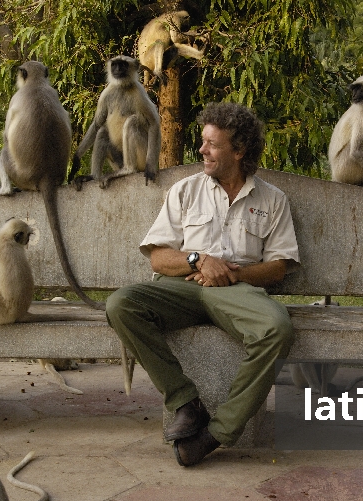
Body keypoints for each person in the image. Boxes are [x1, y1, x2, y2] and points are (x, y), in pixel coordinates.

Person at [105, 102, 300, 466]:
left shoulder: (272, 200)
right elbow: (159, 258)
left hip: (237, 292)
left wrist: (231, 273)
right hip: (182, 287)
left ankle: (217, 433)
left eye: (212, 144)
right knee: (121, 304)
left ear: (238, 151)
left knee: (277, 329)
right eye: (202, 141)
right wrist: (198, 260)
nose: (202, 150)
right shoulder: (185, 190)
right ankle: (184, 402)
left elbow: (278, 267)